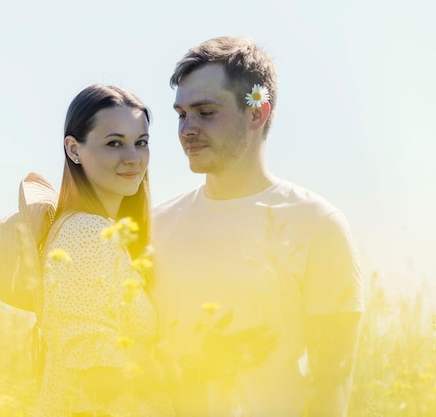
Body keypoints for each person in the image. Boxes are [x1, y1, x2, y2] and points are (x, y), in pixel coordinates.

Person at [150, 36, 365, 417]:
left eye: (205, 112)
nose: (186, 129)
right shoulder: (156, 226)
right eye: (181, 114)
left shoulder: (318, 226)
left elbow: (331, 383)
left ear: (256, 113)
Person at [33, 84, 175, 417]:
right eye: (114, 143)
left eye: (141, 143)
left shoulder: (98, 231)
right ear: (73, 149)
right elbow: (95, 373)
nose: (132, 158)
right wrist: (195, 372)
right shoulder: (87, 233)